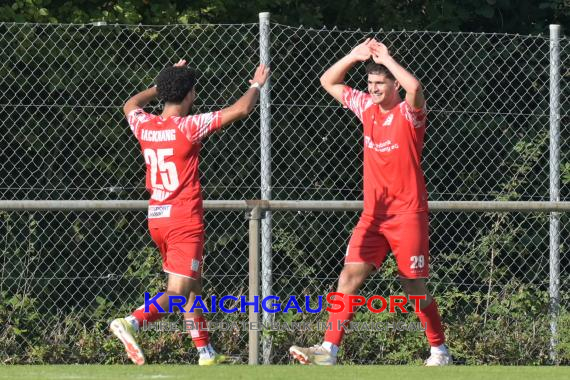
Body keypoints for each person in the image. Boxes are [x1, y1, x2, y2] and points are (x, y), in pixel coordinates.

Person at [289, 39, 451, 366]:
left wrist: (388, 59)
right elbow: (327, 81)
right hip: (373, 216)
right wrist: (352, 55)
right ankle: (329, 351)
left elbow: (415, 86)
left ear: (393, 84)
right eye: (370, 83)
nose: (374, 88)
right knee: (348, 277)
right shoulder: (366, 107)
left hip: (407, 214)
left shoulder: (409, 112)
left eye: (381, 83)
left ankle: (439, 350)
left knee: (413, 285)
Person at [110, 59, 269, 366]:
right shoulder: (188, 126)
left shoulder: (145, 124)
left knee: (192, 284)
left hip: (157, 217)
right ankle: (131, 322)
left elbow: (130, 103)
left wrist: (163, 83)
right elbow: (240, 110)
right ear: (189, 95)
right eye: (193, 90)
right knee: (179, 291)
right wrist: (256, 84)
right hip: (183, 219)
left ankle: (205, 352)